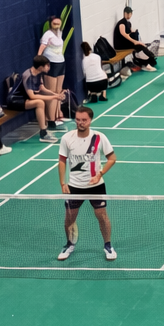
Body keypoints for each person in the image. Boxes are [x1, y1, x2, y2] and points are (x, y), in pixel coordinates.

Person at [57, 104, 116, 261]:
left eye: (84, 120)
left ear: (90, 120)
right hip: (74, 187)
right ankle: (69, 244)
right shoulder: (67, 138)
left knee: (102, 216)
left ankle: (108, 245)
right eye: (77, 120)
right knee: (69, 217)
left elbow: (112, 158)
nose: (80, 123)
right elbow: (62, 161)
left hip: (96, 186)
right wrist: (63, 182)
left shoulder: (99, 137)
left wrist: (100, 173)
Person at [23, 57, 62, 141]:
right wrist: (53, 97)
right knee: (40, 102)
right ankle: (43, 133)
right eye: (47, 66)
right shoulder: (28, 75)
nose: (49, 67)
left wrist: (55, 94)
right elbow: (32, 96)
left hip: (26, 99)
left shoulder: (39, 73)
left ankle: (44, 129)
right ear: (41, 67)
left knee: (40, 101)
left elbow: (42, 88)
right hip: (17, 100)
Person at [36, 14, 66, 99]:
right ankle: (51, 112)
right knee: (52, 92)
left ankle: (58, 111)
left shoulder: (60, 32)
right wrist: (38, 60)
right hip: (51, 63)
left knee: (59, 91)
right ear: (50, 24)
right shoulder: (47, 34)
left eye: (58, 23)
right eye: (54, 23)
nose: (57, 25)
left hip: (61, 62)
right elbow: (42, 47)